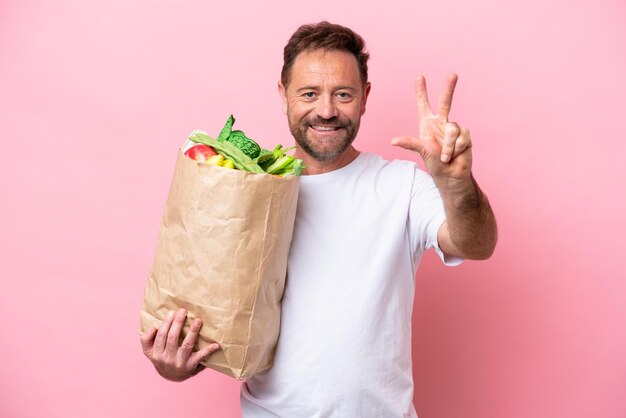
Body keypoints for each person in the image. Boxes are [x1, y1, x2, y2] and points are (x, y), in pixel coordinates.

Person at [141, 21, 497, 417]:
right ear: (284, 96)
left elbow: (476, 244)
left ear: (364, 98)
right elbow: (211, 319)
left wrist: (456, 182)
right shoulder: (245, 192)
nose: (326, 111)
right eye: (309, 93)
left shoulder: (402, 186)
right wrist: (172, 363)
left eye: (342, 94)